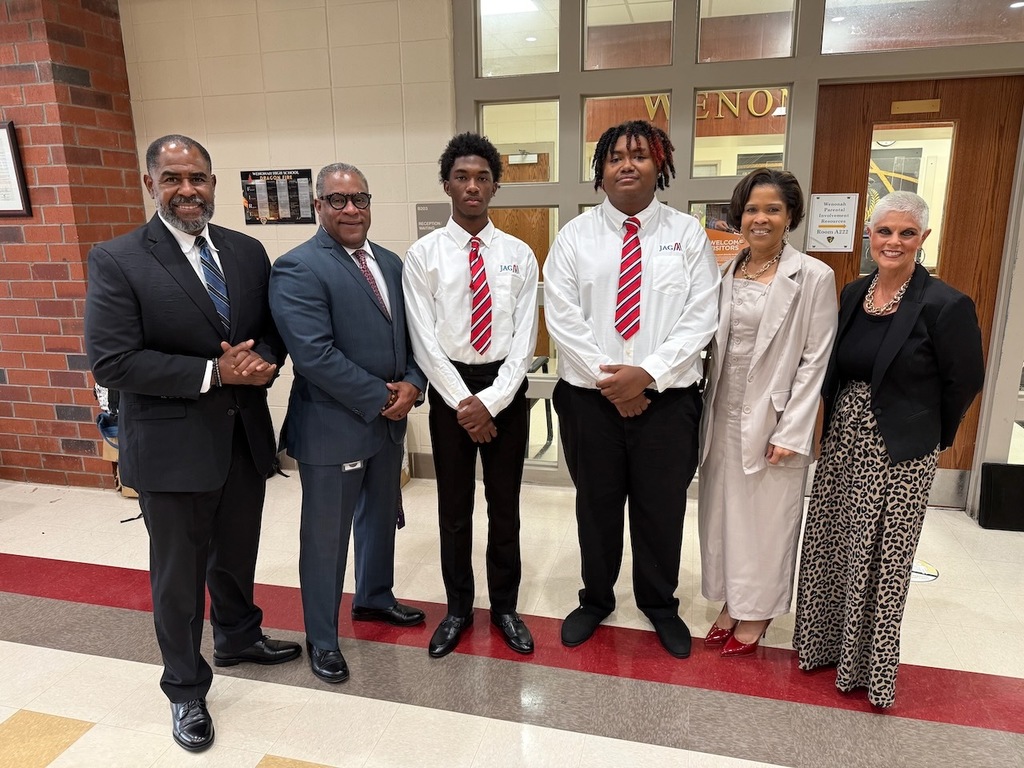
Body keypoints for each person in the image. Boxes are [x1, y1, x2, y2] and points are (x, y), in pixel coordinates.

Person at [85, 135, 301, 753]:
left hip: (242, 438)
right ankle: (184, 688)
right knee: (178, 576)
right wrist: (212, 373)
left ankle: (237, 636)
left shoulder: (246, 251)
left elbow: (269, 334)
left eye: (199, 178)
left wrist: (263, 360)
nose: (188, 190)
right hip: (171, 448)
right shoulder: (119, 258)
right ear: (151, 183)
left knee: (236, 553)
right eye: (174, 178)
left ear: (213, 183)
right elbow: (111, 361)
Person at [793, 190, 984, 708]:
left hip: (899, 451)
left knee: (881, 560)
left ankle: (867, 667)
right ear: (869, 237)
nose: (893, 241)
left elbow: (965, 380)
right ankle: (821, 646)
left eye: (906, 232)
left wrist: (928, 434)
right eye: (884, 231)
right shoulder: (855, 293)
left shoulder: (947, 304)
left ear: (924, 238)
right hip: (843, 443)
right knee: (833, 544)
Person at [543, 120, 720, 658]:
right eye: (615, 156)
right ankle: (596, 598)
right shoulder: (574, 236)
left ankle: (659, 603)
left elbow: (701, 316)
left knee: (661, 508)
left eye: (640, 155)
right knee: (595, 506)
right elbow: (563, 317)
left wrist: (647, 375)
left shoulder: (686, 234)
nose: (626, 164)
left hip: (666, 403)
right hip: (589, 402)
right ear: (600, 170)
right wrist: (615, 381)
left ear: (659, 165)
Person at [269, 162, 427, 685]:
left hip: (386, 424)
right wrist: (383, 395)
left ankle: (375, 598)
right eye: (337, 201)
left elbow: (409, 336)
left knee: (380, 517)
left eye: (359, 198)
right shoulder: (298, 267)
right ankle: (322, 638)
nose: (351, 209)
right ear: (318, 206)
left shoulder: (391, 263)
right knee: (326, 538)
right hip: (333, 426)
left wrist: (413, 383)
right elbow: (313, 355)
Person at [403, 133, 539, 658]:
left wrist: (494, 401)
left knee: (504, 508)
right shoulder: (424, 255)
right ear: (446, 185)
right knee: (453, 509)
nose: (472, 186)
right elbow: (424, 339)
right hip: (449, 389)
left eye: (482, 177)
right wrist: (465, 403)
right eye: (462, 176)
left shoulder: (519, 255)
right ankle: (459, 607)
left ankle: (504, 606)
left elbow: (526, 339)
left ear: (495, 187)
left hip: (504, 388)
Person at [697, 168, 837, 657]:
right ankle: (733, 602)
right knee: (725, 515)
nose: (761, 218)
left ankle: (757, 613)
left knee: (767, 520)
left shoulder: (814, 276)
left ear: (790, 215)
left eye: (772, 209)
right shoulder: (726, 271)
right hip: (722, 412)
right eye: (752, 209)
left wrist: (793, 430)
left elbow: (814, 360)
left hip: (775, 419)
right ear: (739, 215)